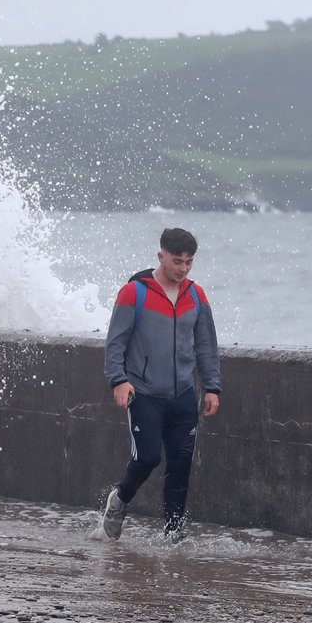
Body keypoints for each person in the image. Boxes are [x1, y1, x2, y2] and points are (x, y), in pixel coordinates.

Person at [102, 227, 221, 542]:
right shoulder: (135, 292)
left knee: (181, 465)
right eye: (177, 261)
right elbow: (116, 343)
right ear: (161, 256)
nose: (182, 269)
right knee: (148, 458)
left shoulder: (196, 294)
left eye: (189, 262)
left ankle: (175, 535)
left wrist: (212, 386)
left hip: (183, 394)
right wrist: (119, 380)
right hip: (144, 393)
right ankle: (120, 499)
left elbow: (206, 344)